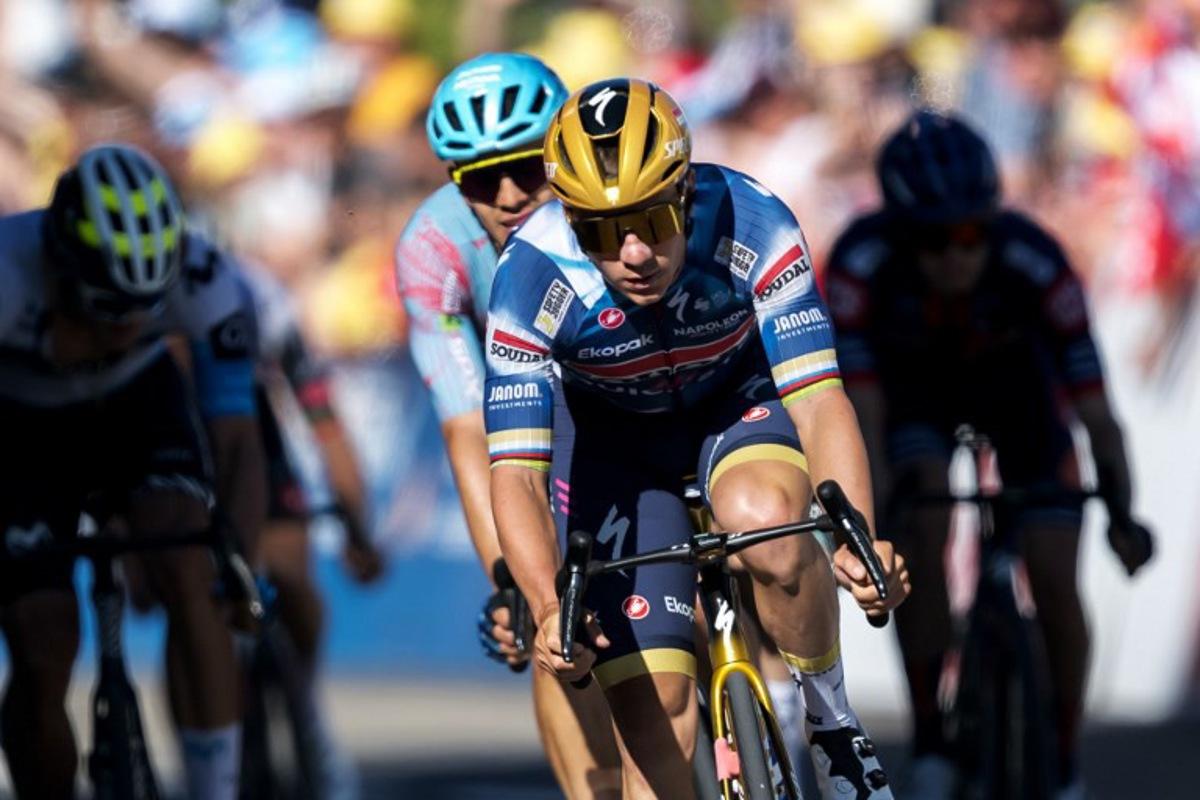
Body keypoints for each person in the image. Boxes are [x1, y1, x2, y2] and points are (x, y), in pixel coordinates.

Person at [484, 77, 909, 800]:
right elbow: (518, 471)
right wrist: (549, 608)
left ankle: (832, 723)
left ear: (684, 193)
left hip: (737, 410)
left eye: (650, 220)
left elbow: (817, 400)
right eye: (598, 230)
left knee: (767, 522)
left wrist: (855, 537)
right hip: (620, 456)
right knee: (658, 737)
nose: (632, 254)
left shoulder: (753, 219)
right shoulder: (529, 279)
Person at [824, 109, 1154, 800]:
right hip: (913, 398)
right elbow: (863, 412)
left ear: (992, 222)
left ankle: (1062, 755)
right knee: (919, 523)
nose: (954, 256)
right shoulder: (860, 261)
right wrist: (875, 526)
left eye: (971, 235)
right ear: (898, 233)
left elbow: (1096, 413)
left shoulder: (1034, 259)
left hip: (1021, 399)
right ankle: (931, 737)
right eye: (932, 241)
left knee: (1057, 574)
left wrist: (1122, 511)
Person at [0, 143, 265, 799]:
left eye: (148, 307)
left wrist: (239, 567)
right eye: (111, 305)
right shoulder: (6, 274)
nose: (132, 322)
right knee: (41, 642)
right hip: (19, 424)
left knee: (189, 565)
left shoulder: (205, 276)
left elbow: (235, 441)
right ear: (60, 264)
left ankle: (214, 788)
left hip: (137, 408)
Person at [394, 52, 621, 797]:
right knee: (549, 603)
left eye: (526, 167)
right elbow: (469, 429)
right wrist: (509, 580)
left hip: (630, 389)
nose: (510, 193)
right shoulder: (434, 251)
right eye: (480, 178)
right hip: (535, 412)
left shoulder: (610, 200)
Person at [241, 262, 385, 798]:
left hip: (256, 442)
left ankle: (304, 701)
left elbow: (326, 424)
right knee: (193, 602)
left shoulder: (260, 298)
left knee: (292, 575)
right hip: (180, 438)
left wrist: (357, 528)